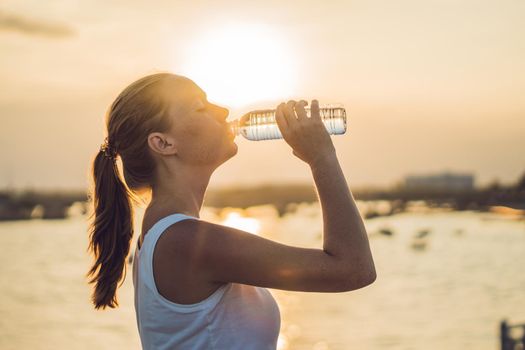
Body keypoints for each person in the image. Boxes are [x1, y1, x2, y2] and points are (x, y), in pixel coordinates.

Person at [87, 72, 376, 350]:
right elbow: (352, 269)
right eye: (201, 107)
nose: (223, 111)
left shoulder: (166, 235)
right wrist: (321, 157)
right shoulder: (184, 241)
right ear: (163, 143)